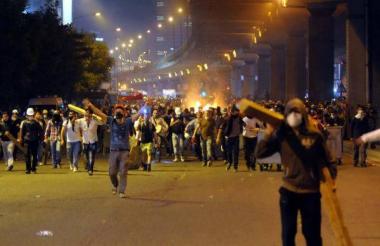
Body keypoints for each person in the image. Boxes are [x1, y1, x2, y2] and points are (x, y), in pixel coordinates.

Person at [255, 98, 337, 246]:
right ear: (286, 114)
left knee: (312, 236)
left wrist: (331, 181)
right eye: (290, 111)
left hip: (310, 193)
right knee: (288, 235)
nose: (294, 115)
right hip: (289, 191)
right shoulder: (282, 136)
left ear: (303, 114)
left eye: (297, 111)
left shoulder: (315, 136)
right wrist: (268, 132)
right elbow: (259, 153)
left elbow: (329, 161)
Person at [88, 101, 134, 198]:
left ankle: (122, 191)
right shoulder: (111, 120)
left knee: (123, 171)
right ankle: (115, 184)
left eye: (120, 111)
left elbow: (137, 115)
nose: (118, 113)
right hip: (113, 151)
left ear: (124, 113)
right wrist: (92, 106)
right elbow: (100, 113)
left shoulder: (128, 121)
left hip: (124, 151)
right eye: (117, 111)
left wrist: (145, 107)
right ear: (114, 113)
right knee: (112, 172)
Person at [78, 106, 104, 176]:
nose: (87, 115)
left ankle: (90, 169)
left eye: (88, 114)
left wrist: (98, 117)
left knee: (92, 156)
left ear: (91, 114)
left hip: (93, 141)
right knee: (86, 156)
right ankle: (88, 166)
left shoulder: (95, 120)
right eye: (85, 114)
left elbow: (102, 122)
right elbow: (75, 123)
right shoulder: (81, 120)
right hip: (85, 141)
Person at [18, 108, 44, 174]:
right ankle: (28, 169)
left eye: (31, 115)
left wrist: (40, 138)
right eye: (29, 115)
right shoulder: (25, 122)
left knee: (34, 155)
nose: (30, 116)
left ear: (33, 115)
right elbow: (22, 132)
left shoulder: (35, 123)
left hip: (33, 141)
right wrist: (21, 139)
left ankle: (33, 169)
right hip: (28, 141)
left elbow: (41, 131)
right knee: (27, 155)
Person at [224, 105, 243, 172]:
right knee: (229, 152)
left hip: (236, 137)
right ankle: (229, 162)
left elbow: (242, 124)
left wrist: (241, 130)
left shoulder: (239, 118)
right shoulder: (228, 118)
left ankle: (235, 166)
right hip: (229, 137)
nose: (237, 112)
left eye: (237, 111)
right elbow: (223, 126)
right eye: (235, 111)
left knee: (235, 152)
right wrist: (225, 134)